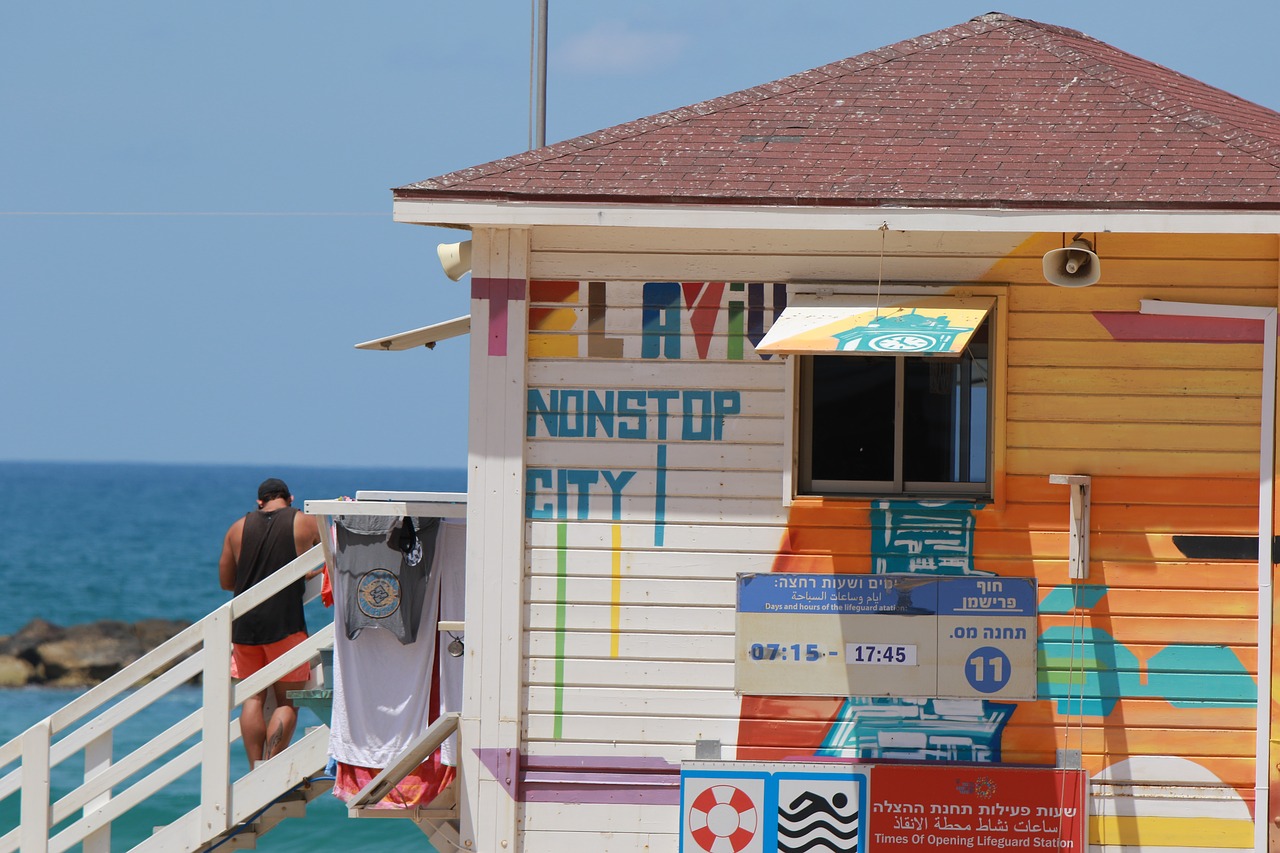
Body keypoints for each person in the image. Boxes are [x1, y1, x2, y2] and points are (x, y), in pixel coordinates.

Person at [218, 477, 322, 765]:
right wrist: (305, 574)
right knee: (287, 701)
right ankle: (272, 761)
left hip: (244, 627)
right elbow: (333, 558)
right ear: (290, 498)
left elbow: (227, 581)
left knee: (252, 700)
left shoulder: (237, 528)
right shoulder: (305, 521)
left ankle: (254, 768)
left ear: (259, 502)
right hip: (285, 623)